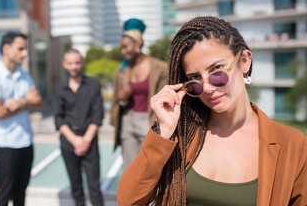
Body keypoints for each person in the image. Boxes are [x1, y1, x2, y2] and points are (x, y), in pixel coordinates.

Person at [117, 16, 307, 205]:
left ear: (244, 61)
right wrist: (164, 132)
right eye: (195, 79)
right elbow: (128, 200)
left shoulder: (293, 145)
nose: (207, 88)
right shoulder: (182, 137)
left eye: (217, 72)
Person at [0, 32, 43, 206]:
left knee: (21, 192)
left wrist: (21, 101)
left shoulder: (24, 75)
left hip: (26, 141)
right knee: (4, 193)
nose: (25, 53)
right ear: (6, 49)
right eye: (21, 49)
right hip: (6, 144)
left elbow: (39, 103)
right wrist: (27, 101)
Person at [110, 18, 169, 171]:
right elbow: (116, 101)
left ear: (137, 45)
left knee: (151, 166)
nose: (123, 52)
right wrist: (122, 98)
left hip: (149, 120)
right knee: (129, 168)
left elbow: (167, 99)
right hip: (128, 120)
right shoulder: (121, 70)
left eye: (125, 47)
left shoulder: (161, 68)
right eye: (121, 48)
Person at [54, 49, 104, 206]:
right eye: (70, 63)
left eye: (76, 62)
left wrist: (85, 141)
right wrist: (75, 141)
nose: (73, 66)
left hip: (89, 139)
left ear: (82, 62)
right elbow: (58, 118)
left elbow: (97, 116)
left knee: (94, 188)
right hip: (69, 141)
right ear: (64, 64)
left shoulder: (93, 85)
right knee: (76, 188)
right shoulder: (60, 88)